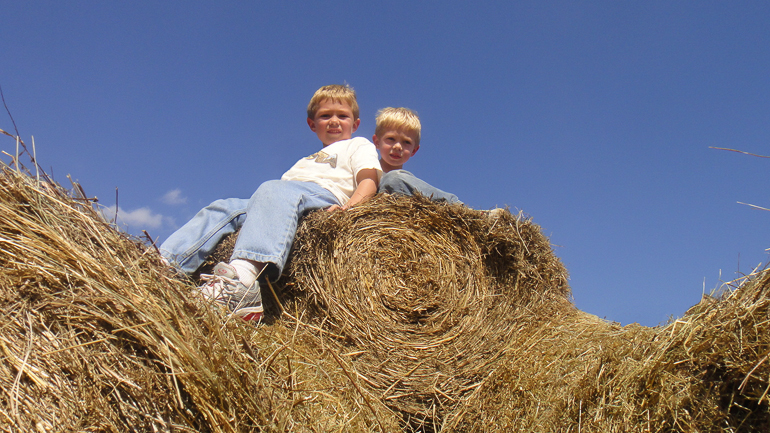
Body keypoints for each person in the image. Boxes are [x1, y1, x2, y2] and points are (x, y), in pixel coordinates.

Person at [160, 84, 381, 321]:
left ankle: (243, 280)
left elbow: (369, 180)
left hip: (322, 195)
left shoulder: (358, 145)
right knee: (223, 207)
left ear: (355, 124)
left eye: (342, 116)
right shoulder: (305, 160)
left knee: (273, 188)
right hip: (284, 196)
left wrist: (349, 209)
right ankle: (164, 264)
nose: (334, 121)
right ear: (312, 124)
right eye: (325, 116)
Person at [373, 107, 460, 203]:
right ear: (377, 142)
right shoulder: (366, 169)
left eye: (406, 142)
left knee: (393, 179)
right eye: (391, 139)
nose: (398, 146)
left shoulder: (404, 182)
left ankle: (454, 203)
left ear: (414, 150)